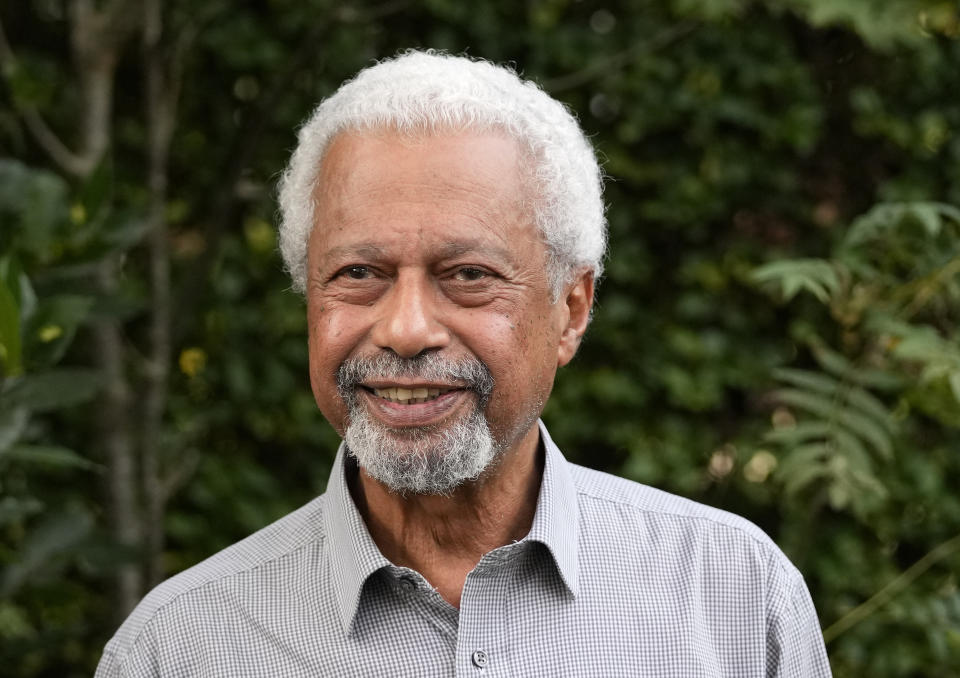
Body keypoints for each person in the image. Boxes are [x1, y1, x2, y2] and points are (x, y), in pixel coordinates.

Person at [96, 50, 832, 677]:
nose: (407, 330)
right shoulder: (179, 649)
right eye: (358, 273)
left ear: (571, 310)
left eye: (468, 274)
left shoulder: (735, 600)